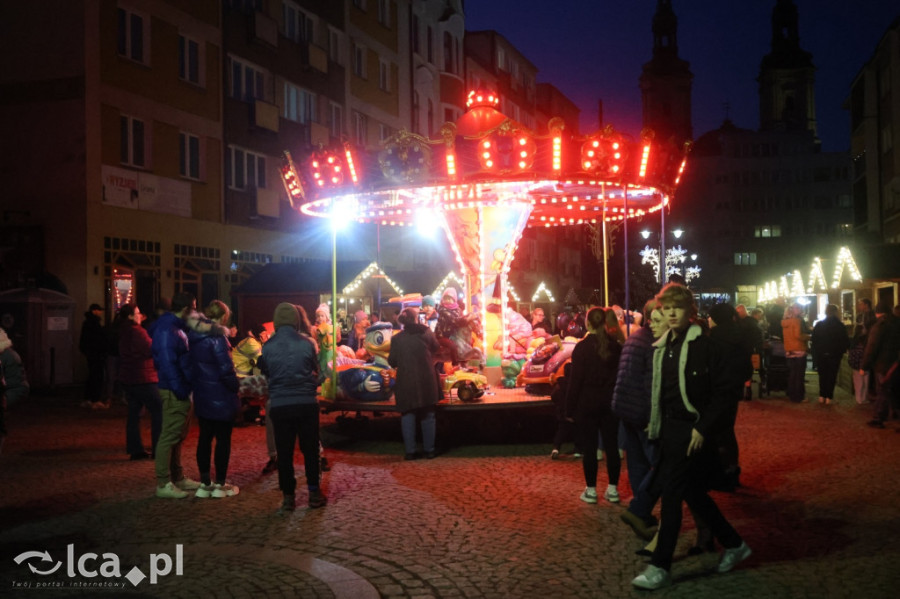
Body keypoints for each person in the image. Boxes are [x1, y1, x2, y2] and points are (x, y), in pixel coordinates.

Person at [632, 284, 751, 590]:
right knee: (692, 493)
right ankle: (735, 544)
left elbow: (724, 393)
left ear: (691, 311)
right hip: (669, 430)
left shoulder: (705, 346)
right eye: (666, 308)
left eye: (677, 307)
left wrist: (703, 428)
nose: (671, 313)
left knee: (671, 495)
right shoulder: (664, 346)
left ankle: (659, 567)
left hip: (691, 430)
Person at [259, 303, 326, 511]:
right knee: (310, 449)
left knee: (285, 452)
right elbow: (318, 372)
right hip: (306, 403)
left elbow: (266, 373)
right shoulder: (308, 344)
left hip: (280, 404)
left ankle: (289, 497)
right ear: (296, 321)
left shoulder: (267, 347)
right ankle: (314, 492)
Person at [612, 299, 667, 540]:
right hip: (642, 412)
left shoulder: (633, 338)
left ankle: (641, 513)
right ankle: (642, 509)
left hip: (626, 409)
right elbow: (650, 382)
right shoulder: (654, 342)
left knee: (636, 465)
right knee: (661, 465)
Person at [565, 307, 623, 505]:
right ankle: (613, 489)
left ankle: (591, 490)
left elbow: (575, 382)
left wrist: (569, 408)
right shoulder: (615, 346)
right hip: (609, 403)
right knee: (612, 446)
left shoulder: (581, 348)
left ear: (588, 323)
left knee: (590, 448)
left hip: (587, 403)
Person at [150, 292, 202, 499]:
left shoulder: (172, 328)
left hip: (179, 387)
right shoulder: (168, 330)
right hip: (174, 389)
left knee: (177, 434)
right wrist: (179, 388)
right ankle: (163, 482)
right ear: (186, 309)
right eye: (194, 307)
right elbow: (168, 363)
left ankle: (177, 477)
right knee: (169, 435)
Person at [189, 300, 241, 498]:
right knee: (223, 440)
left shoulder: (193, 337)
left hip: (202, 393)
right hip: (220, 395)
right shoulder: (217, 338)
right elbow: (225, 369)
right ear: (222, 318)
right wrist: (235, 386)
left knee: (204, 437)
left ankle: (204, 483)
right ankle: (219, 483)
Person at [707, 303, 752, 492]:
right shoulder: (740, 334)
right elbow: (747, 365)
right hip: (733, 388)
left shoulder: (715, 337)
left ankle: (722, 471)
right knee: (727, 430)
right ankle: (732, 470)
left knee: (717, 431)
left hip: (717, 388)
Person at [388, 307, 441, 460]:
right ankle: (429, 450)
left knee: (408, 414)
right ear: (416, 318)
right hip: (427, 379)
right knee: (428, 414)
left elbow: (392, 361)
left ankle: (410, 452)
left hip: (406, 380)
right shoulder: (426, 332)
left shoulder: (397, 339)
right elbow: (436, 347)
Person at [116, 304, 162, 461]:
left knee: (134, 413)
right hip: (143, 377)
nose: (140, 315)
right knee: (159, 410)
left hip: (129, 377)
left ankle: (135, 449)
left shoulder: (124, 332)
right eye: (137, 313)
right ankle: (159, 449)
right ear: (130, 316)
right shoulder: (138, 332)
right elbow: (152, 349)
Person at [861, 301, 900, 429]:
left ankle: (879, 418)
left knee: (883, 390)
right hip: (896, 363)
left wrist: (864, 366)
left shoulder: (880, 326)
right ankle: (893, 413)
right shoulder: (897, 323)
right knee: (894, 390)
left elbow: (872, 347)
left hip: (884, 364)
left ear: (877, 313)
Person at [810, 304, 850, 406]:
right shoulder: (840, 326)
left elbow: (814, 340)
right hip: (834, 354)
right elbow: (844, 341)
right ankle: (829, 397)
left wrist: (817, 351)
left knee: (822, 375)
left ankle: (821, 395)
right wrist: (841, 351)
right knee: (832, 376)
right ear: (836, 312)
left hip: (821, 354)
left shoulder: (819, 325)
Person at [79, 303, 108, 409]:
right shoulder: (94, 324)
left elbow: (83, 340)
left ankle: (88, 398)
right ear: (95, 311)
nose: (100, 312)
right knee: (97, 376)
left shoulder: (87, 323)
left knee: (92, 375)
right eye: (99, 310)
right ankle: (95, 399)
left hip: (91, 354)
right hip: (97, 354)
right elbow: (99, 339)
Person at [781, 303, 811, 403]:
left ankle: (791, 394)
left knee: (792, 374)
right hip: (799, 349)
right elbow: (798, 335)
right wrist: (808, 337)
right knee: (799, 375)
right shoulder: (797, 321)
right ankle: (799, 396)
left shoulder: (785, 322)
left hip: (789, 350)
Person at [735, 304, 763, 400]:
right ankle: (747, 391)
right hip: (746, 349)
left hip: (744, 350)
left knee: (743, 371)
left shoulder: (738, 322)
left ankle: (745, 391)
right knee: (746, 371)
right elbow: (758, 335)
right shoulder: (751, 322)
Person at [549, 362, 576, 459]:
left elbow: (553, 396)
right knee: (577, 430)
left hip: (561, 412)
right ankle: (579, 449)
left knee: (561, 431)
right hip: (572, 412)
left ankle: (556, 448)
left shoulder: (559, 384)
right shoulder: (574, 384)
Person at [847, 324, 869, 405]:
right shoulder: (865, 341)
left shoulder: (854, 341)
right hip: (863, 364)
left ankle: (859, 398)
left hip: (856, 364)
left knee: (859, 382)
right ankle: (861, 398)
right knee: (864, 382)